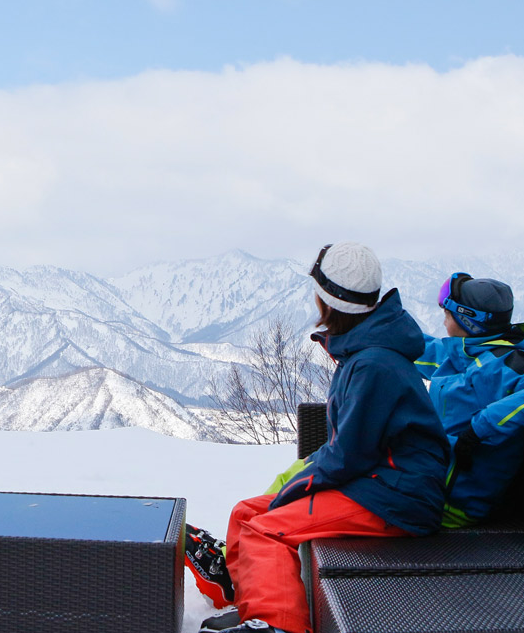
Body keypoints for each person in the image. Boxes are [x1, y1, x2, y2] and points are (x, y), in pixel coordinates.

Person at [185, 243, 450, 633]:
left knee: (265, 530)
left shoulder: (373, 364)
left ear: (327, 302)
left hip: (397, 495)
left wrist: (294, 489)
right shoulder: (364, 349)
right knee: (247, 512)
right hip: (374, 481)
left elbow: (347, 456)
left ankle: (277, 625)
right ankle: (246, 600)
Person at [418, 273, 524, 528]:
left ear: (467, 321)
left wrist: (480, 427)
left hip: (453, 505)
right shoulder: (466, 354)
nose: (444, 321)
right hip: (431, 488)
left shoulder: (512, 364)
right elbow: (419, 349)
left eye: (448, 315)